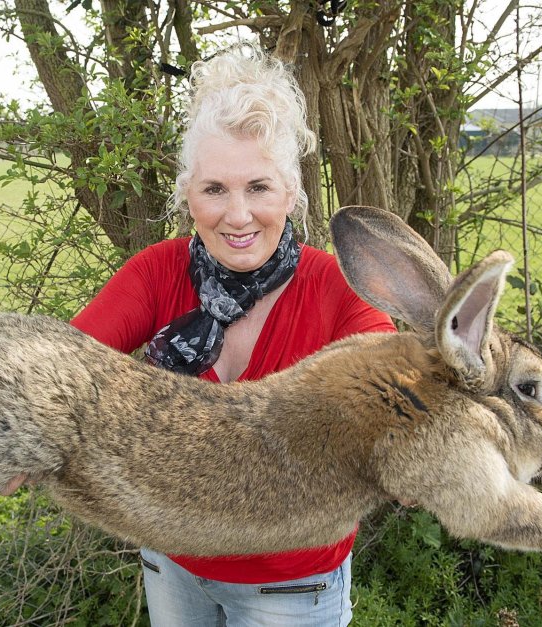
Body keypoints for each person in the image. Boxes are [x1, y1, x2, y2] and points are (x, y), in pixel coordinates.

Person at [66, 47, 396, 626]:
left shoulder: (339, 291)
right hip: (172, 563)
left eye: (259, 188)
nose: (237, 215)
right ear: (188, 195)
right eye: (215, 189)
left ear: (291, 194)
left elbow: (397, 404)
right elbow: (55, 369)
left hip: (293, 587)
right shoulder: (156, 272)